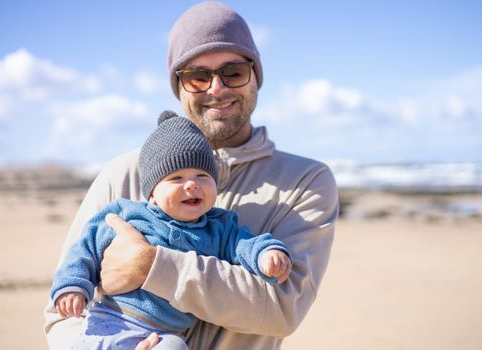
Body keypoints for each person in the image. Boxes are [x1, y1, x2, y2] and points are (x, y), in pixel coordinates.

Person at [44, 1, 339, 349]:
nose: (216, 88)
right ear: (178, 86)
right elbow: (61, 314)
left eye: (233, 72)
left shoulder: (305, 181)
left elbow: (282, 309)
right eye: (198, 76)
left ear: (255, 76)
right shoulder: (121, 174)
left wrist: (150, 265)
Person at [49, 112, 291, 349]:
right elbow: (85, 249)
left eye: (202, 175)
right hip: (109, 321)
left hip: (163, 335)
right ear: (152, 193)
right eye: (176, 178)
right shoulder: (128, 214)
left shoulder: (220, 226)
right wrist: (73, 286)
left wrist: (266, 254)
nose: (192, 184)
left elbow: (245, 244)